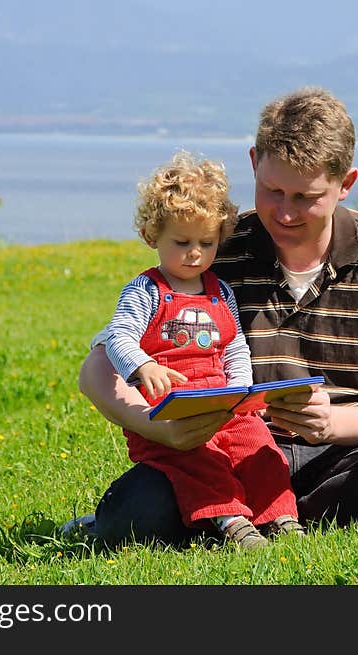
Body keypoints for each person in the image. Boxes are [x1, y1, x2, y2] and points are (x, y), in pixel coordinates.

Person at [63, 86, 358, 548]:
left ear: (345, 184)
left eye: (305, 196)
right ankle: (248, 513)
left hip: (339, 452)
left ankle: (244, 516)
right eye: (272, 190)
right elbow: (96, 370)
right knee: (135, 514)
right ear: (254, 162)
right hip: (218, 450)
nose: (285, 213)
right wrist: (160, 430)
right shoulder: (209, 247)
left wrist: (332, 423)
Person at [81, 149, 306, 550]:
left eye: (207, 242)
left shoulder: (220, 292)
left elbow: (233, 342)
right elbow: (118, 336)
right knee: (200, 464)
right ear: (153, 236)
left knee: (261, 448)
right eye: (181, 242)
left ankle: (280, 516)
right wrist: (142, 367)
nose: (195, 253)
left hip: (223, 402)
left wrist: (241, 388)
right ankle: (230, 522)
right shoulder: (147, 290)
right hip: (171, 410)